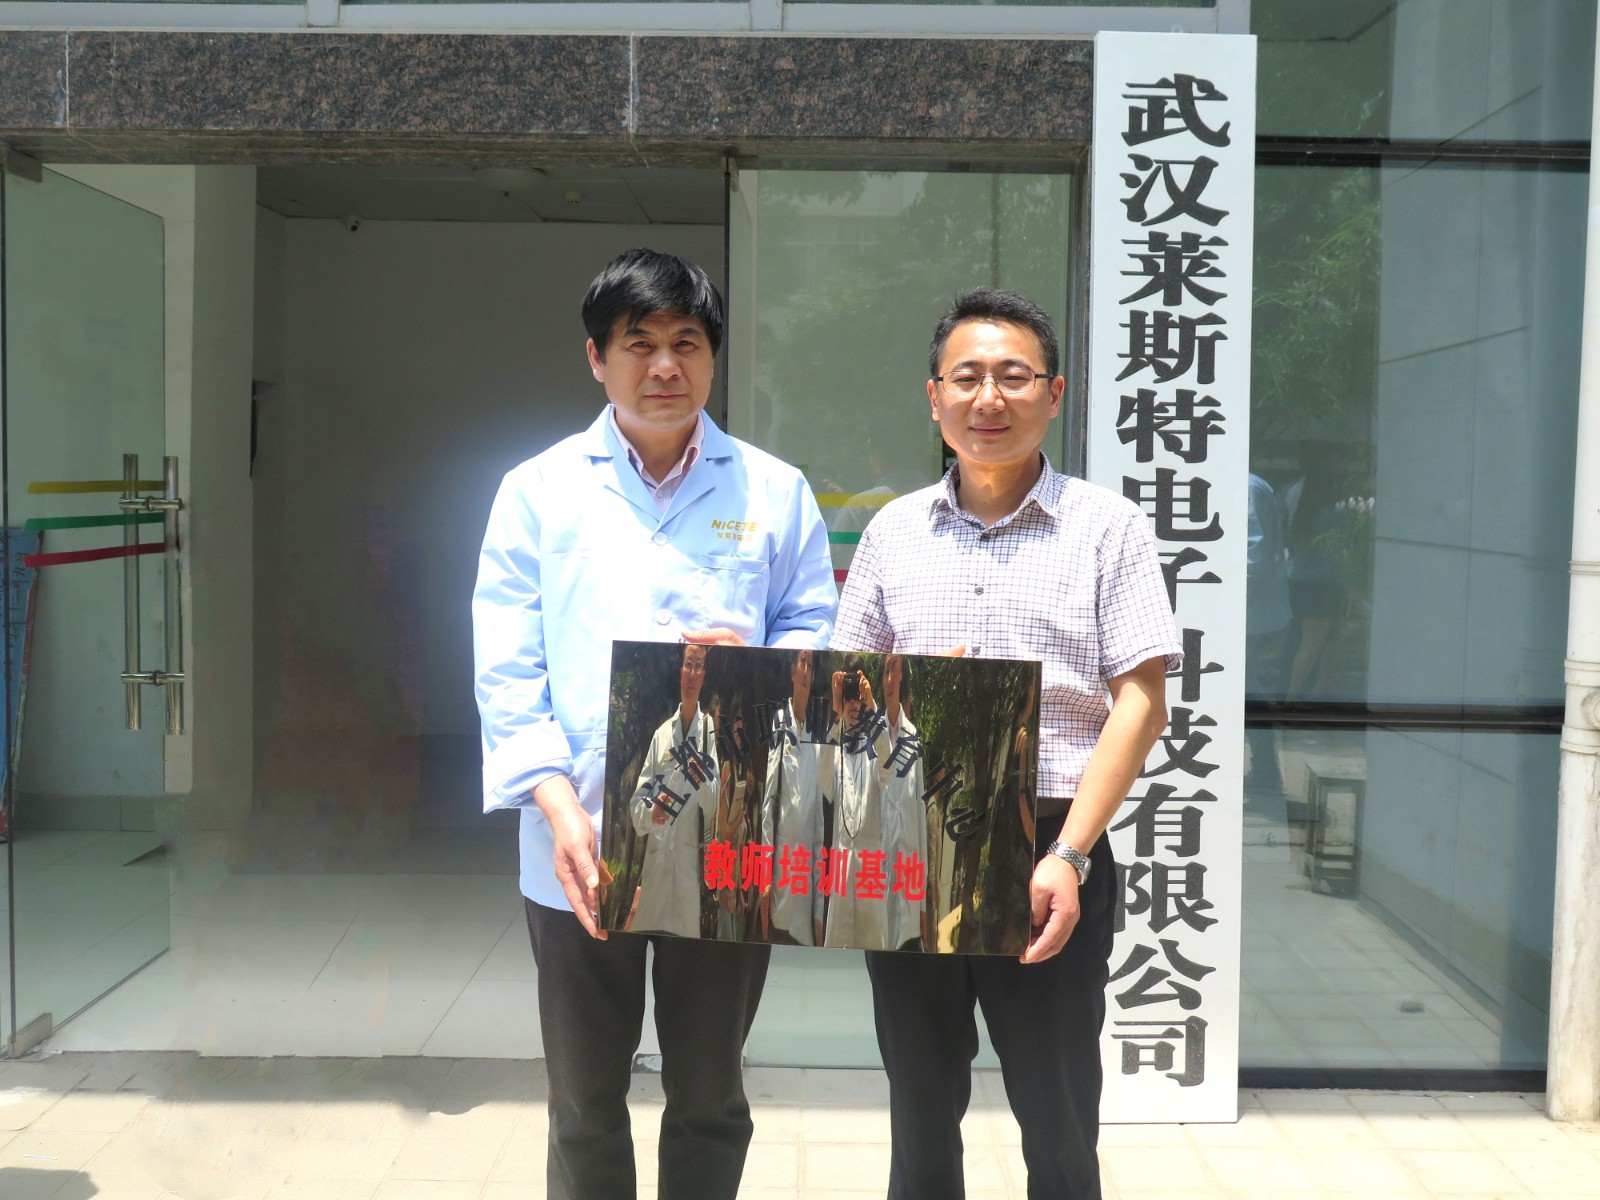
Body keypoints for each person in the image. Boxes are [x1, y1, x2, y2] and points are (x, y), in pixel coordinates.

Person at [472, 248, 835, 1200]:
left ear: (713, 357)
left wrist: (762, 664)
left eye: (687, 343)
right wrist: (557, 808)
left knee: (711, 1092)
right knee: (583, 1099)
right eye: (640, 344)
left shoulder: (773, 490)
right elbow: (506, 665)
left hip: (728, 834)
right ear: (598, 358)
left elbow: (815, 626)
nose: (665, 366)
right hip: (581, 836)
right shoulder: (537, 492)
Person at [831, 287, 1181, 1199]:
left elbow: (1141, 701)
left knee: (1058, 1117)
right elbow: (841, 696)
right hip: (913, 843)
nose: (989, 398)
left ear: (1054, 394)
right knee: (919, 1109)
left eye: (1014, 376)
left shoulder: (1107, 528)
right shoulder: (892, 531)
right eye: (967, 377)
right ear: (934, 397)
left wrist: (1070, 853)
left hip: (1049, 846)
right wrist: (900, 692)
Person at [627, 643, 723, 939]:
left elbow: (714, 804)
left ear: (704, 676)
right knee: (646, 934)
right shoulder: (662, 734)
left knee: (682, 948)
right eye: (688, 665)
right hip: (656, 868)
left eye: (698, 666)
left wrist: (702, 780)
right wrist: (651, 811)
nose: (692, 673)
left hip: (686, 870)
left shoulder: (707, 733)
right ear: (681, 671)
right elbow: (636, 806)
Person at [759, 648, 829, 946]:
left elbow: (818, 829)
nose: (805, 670)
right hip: (779, 879)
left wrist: (818, 910)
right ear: (792, 672)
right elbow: (768, 805)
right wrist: (764, 877)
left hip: (804, 888)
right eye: (802, 662)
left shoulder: (816, 740)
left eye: (810, 665)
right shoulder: (779, 723)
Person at [822, 662, 892, 949]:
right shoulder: (834, 752)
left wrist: (872, 707)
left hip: (869, 876)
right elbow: (823, 778)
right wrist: (835, 713)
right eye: (848, 696)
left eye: (857, 696)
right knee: (835, 958)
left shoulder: (875, 752)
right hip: (841, 875)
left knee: (874, 955)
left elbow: (888, 763)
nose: (853, 704)